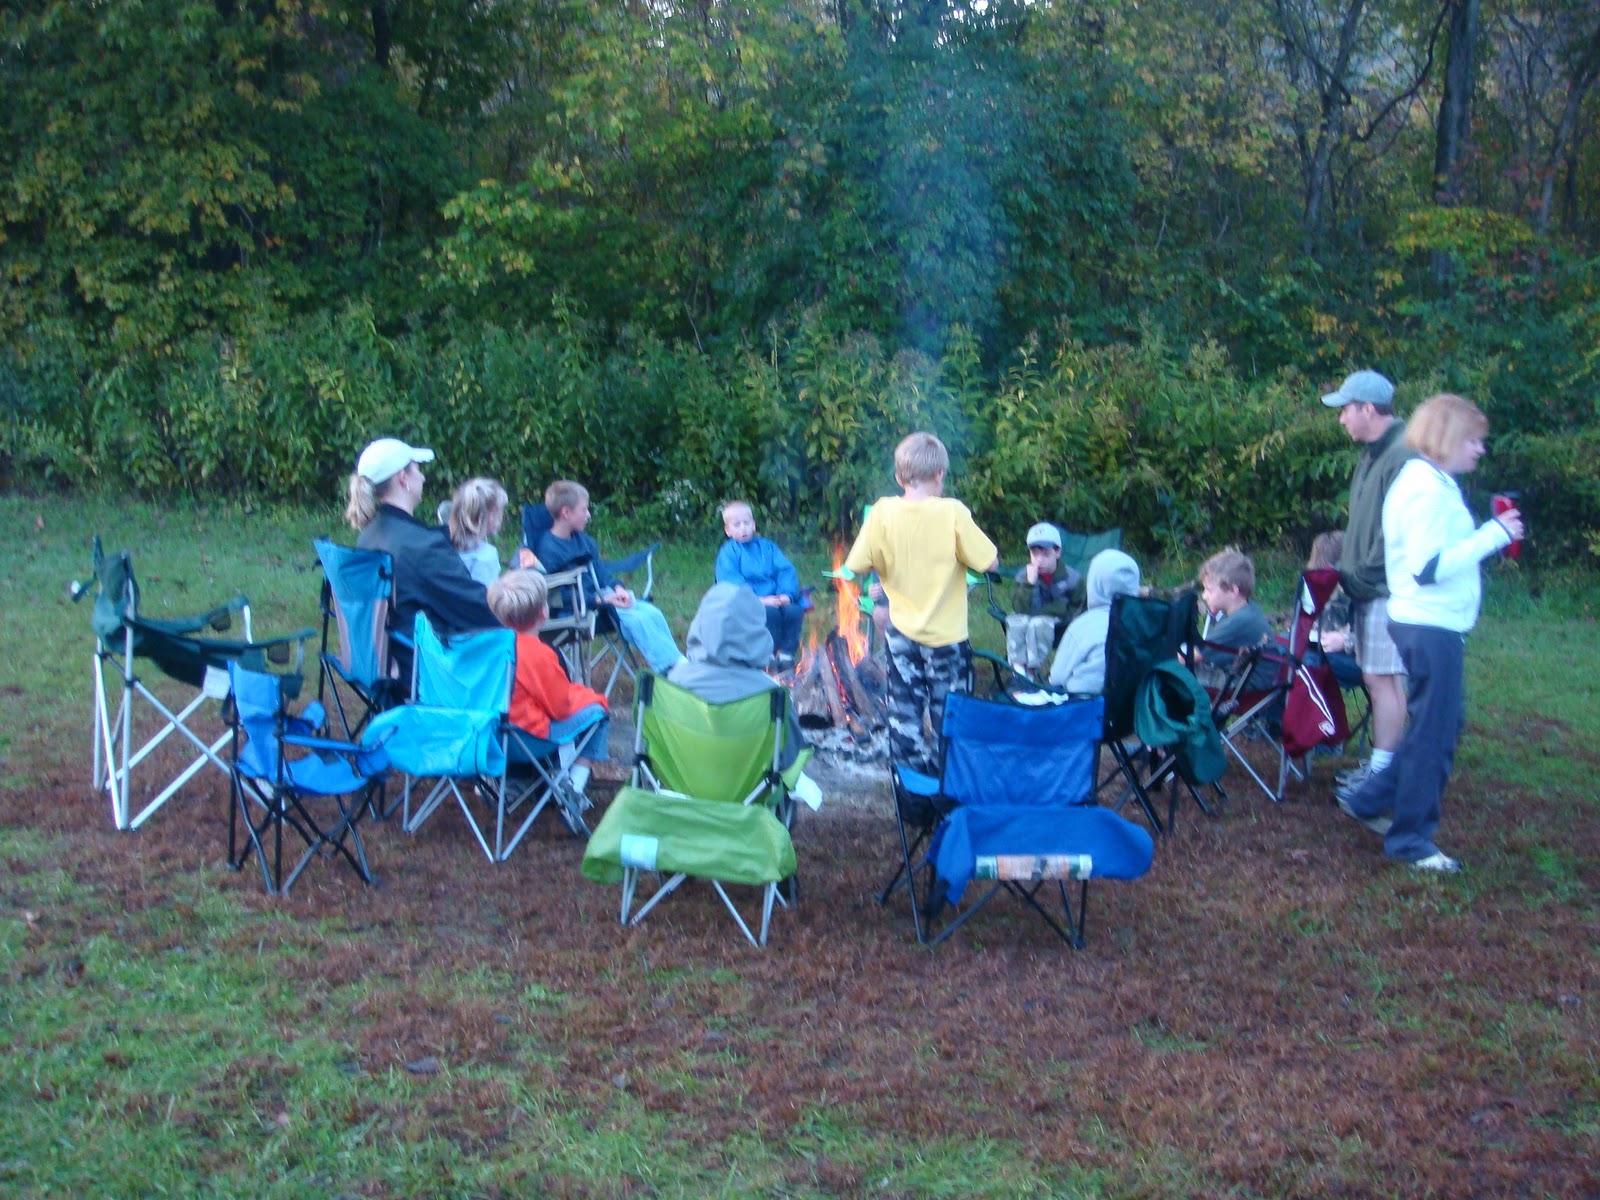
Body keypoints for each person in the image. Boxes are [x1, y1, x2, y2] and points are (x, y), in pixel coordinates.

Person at [1338, 394, 1522, 873]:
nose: (1480, 450)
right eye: (1473, 440)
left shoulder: (1431, 482)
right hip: (1427, 624)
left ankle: (1373, 797)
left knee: (1438, 725)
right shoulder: (1424, 489)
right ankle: (1411, 840)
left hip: (1428, 623)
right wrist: (1494, 535)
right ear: (1446, 438)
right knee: (1436, 736)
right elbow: (1427, 567)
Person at [843, 432, 999, 773]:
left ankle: (911, 789)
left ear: (900, 478)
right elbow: (990, 563)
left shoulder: (882, 512)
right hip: (947, 641)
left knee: (904, 713)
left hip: (901, 635)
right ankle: (950, 785)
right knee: (952, 715)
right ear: (940, 474)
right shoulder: (953, 513)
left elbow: (856, 565)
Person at [1322, 370, 1414, 803]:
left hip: (1381, 589)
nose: (1341, 419)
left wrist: (1358, 580)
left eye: (1345, 410)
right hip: (1366, 585)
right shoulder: (1373, 453)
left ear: (1368, 409)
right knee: (1381, 678)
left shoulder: (1399, 455)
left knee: (1381, 679)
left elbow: (1393, 534)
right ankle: (1383, 767)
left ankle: (1383, 774)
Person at [344, 437, 497, 674]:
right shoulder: (423, 547)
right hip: (429, 668)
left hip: (387, 660)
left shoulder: (369, 535)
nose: (423, 477)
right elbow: (481, 610)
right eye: (417, 469)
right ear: (402, 478)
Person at [533, 479, 684, 674]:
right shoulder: (548, 549)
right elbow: (554, 595)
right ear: (566, 512)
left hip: (603, 598)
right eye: (584, 510)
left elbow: (601, 572)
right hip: (578, 609)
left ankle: (678, 664)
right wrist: (599, 599)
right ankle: (671, 670)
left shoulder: (584, 540)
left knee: (652, 613)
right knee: (636, 621)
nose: (588, 515)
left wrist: (617, 588)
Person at [486, 570, 610, 797]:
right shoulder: (538, 654)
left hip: (489, 738)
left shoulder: (487, 648)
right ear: (544, 613)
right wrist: (592, 697)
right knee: (599, 712)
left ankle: (520, 782)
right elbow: (561, 708)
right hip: (527, 740)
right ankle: (574, 789)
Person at [668, 583, 809, 771]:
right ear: (756, 631)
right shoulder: (772, 694)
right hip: (751, 795)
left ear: (700, 623)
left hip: (682, 790)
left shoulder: (673, 683)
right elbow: (791, 760)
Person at [714, 500, 804, 665]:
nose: (743, 529)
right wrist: (759, 600)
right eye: (737, 525)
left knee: (794, 611)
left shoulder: (767, 547)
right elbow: (731, 582)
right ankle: (767, 655)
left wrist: (786, 594)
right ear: (728, 530)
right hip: (747, 600)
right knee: (770, 614)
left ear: (754, 525)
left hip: (775, 596)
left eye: (747, 523)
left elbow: (784, 570)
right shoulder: (728, 553)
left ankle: (786, 654)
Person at [1048, 548, 1141, 695]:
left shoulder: (1083, 626)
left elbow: (1056, 679)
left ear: (1094, 584)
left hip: (1083, 708)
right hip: (1133, 708)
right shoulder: (1147, 624)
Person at [1195, 548, 1277, 692]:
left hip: (1242, 682)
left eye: (1209, 590)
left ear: (1233, 590)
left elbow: (1192, 656)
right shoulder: (1247, 610)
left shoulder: (1239, 621)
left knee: (1170, 671)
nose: (1204, 596)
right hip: (1246, 675)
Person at [1006, 522, 1082, 676]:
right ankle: (1018, 671)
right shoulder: (1024, 576)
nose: (1039, 560)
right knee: (1016, 620)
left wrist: (1058, 610)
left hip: (1060, 625)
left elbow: (1079, 606)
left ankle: (1031, 672)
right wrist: (1029, 584)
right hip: (1028, 618)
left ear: (1057, 552)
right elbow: (1019, 607)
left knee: (1038, 623)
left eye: (1046, 554)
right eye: (1034, 554)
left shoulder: (1072, 578)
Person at [1300, 531, 1362, 691]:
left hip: (1353, 656)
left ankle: (1309, 714)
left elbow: (1379, 637)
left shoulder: (1358, 588)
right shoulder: (1313, 585)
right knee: (1279, 650)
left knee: (1304, 661)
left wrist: (1345, 641)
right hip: (1318, 646)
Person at [447, 478, 508, 587]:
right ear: (491, 517)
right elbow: (488, 599)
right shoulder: (486, 556)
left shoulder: (442, 546)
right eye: (501, 510)